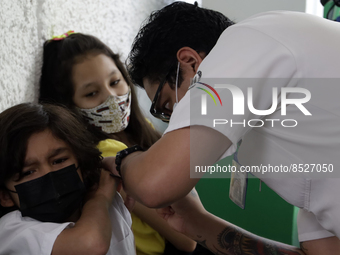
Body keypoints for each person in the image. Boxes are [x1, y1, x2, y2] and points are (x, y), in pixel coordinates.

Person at [102, 2, 340, 255]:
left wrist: (123, 160)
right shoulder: (289, 132)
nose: (174, 122)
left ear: (190, 62)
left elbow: (154, 184)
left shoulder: (244, 42)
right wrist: (197, 222)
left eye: (168, 105)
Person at [39, 32, 196, 254]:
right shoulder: (108, 156)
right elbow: (187, 239)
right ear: (68, 107)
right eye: (92, 93)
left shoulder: (143, 133)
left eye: (115, 82)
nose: (112, 97)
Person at [0, 103, 135, 255]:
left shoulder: (102, 195)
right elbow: (91, 245)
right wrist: (99, 200)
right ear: (5, 196)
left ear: (80, 161)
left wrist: (108, 163)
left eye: (58, 161)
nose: (49, 175)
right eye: (28, 172)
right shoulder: (11, 232)